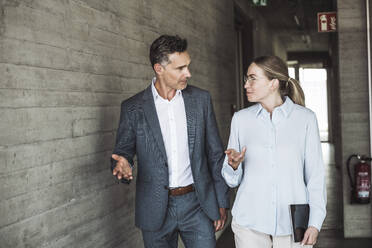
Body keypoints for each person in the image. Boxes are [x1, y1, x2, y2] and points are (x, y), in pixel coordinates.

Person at [111, 34, 229, 248]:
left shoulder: (201, 100)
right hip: (154, 209)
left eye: (188, 66)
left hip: (197, 204)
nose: (188, 73)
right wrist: (122, 165)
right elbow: (122, 153)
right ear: (159, 69)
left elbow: (215, 154)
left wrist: (221, 201)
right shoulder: (133, 107)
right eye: (180, 68)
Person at [222, 55, 326, 248]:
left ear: (273, 83)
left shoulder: (306, 119)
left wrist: (315, 223)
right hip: (249, 222)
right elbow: (231, 180)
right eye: (246, 78)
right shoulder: (241, 120)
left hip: (295, 224)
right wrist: (233, 166)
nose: (246, 85)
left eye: (253, 78)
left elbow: (315, 176)